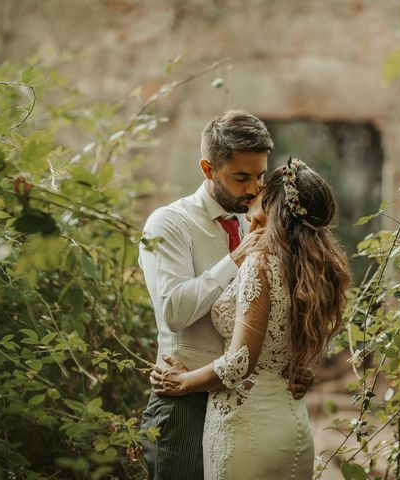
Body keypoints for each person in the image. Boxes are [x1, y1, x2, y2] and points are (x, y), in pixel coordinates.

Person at [151, 158, 351, 480]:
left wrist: (181, 382)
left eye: (260, 184)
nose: (252, 192)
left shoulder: (261, 262)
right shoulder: (305, 269)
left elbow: (239, 361)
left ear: (273, 204)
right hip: (293, 422)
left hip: (248, 428)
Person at [138, 111, 311, 480]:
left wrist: (298, 362)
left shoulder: (260, 219)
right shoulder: (169, 224)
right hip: (185, 404)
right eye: (241, 177)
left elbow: (287, 304)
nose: (253, 189)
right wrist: (235, 259)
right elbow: (173, 311)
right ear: (207, 168)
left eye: (261, 175)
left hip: (247, 409)